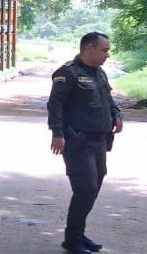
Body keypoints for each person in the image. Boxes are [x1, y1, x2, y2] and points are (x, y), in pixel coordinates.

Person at [47, 32, 123, 254]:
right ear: (89, 48)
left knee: (94, 187)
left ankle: (78, 235)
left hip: (100, 141)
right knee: (86, 188)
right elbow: (55, 104)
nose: (107, 54)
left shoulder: (99, 73)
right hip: (78, 142)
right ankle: (72, 240)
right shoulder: (68, 73)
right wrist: (57, 133)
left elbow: (108, 99)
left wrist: (116, 113)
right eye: (104, 50)